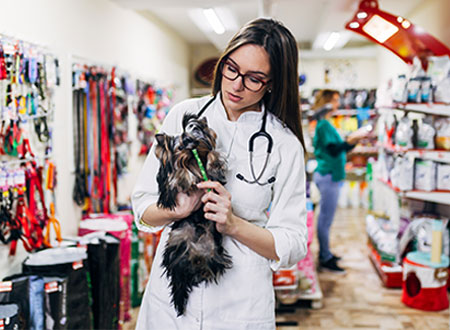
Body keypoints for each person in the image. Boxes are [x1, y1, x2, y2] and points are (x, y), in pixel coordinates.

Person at [132, 18, 307, 329]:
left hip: (240, 304)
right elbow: (142, 208)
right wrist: (177, 209)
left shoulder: (284, 144)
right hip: (172, 297)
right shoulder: (182, 117)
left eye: (254, 78)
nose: (236, 85)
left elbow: (293, 243)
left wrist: (234, 225)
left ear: (273, 83)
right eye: (231, 68)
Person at [311, 89, 369, 273]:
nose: (337, 105)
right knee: (325, 220)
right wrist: (353, 140)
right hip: (328, 175)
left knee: (326, 219)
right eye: (335, 101)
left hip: (331, 175)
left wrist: (352, 141)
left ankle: (326, 252)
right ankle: (325, 257)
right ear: (327, 102)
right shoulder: (322, 125)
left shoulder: (325, 124)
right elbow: (334, 149)